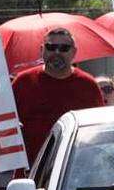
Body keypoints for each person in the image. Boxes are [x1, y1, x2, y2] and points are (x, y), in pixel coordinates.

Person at [11, 28, 104, 163]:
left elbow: (98, 130)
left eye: (64, 48)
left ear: (74, 52)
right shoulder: (22, 82)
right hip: (30, 169)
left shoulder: (88, 85)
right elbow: (7, 125)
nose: (57, 53)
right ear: (42, 50)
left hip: (72, 167)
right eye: (51, 47)